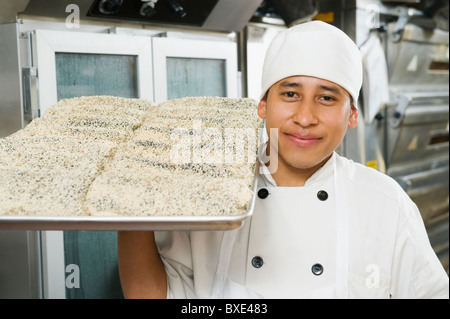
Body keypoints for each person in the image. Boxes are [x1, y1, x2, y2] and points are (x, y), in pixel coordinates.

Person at [117, 21, 449, 299]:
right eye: (290, 94)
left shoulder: (386, 205)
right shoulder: (209, 194)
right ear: (262, 105)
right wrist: (129, 201)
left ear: (352, 115)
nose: (305, 117)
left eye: (326, 98)